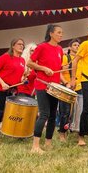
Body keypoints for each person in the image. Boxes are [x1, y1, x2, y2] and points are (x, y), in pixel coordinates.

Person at [28, 25, 66, 153]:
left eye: (62, 33)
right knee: (44, 114)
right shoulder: (42, 47)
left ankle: (48, 143)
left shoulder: (60, 49)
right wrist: (44, 68)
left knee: (53, 115)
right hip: (42, 85)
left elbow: (57, 70)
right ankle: (35, 146)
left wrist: (65, 82)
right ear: (51, 33)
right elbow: (29, 63)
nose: (61, 35)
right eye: (59, 32)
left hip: (54, 87)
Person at [0, 38, 26, 146]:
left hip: (13, 89)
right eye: (19, 44)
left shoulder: (22, 60)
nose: (21, 46)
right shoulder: (5, 57)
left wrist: (22, 79)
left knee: (12, 113)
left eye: (23, 44)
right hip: (0, 88)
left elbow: (19, 76)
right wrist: (2, 83)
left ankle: (9, 133)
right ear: (13, 46)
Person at [57, 39, 80, 140]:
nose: (77, 47)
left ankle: (74, 129)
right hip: (66, 87)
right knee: (65, 112)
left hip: (79, 87)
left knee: (76, 111)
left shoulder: (80, 59)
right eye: (75, 45)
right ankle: (62, 133)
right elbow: (59, 72)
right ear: (70, 47)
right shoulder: (66, 58)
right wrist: (66, 83)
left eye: (78, 45)